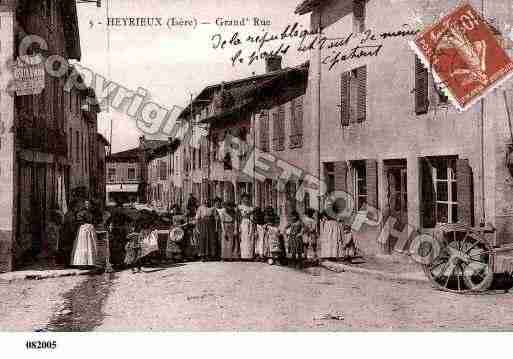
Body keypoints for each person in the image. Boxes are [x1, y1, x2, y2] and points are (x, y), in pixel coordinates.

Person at [70, 200, 99, 268]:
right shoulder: (81, 213)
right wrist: (85, 224)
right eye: (86, 204)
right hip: (84, 229)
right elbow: (78, 221)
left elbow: (95, 220)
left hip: (90, 229)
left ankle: (90, 262)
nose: (87, 205)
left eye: (89, 204)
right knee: (83, 245)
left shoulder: (92, 213)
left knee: (90, 245)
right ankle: (82, 263)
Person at [237, 193, 255, 260]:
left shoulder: (251, 208)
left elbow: (252, 217)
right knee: (243, 238)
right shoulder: (239, 207)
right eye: (244, 198)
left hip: (249, 223)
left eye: (247, 198)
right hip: (242, 223)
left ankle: (249, 255)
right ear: (242, 199)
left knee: (249, 238)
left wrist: (251, 218)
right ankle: (243, 255)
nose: (245, 200)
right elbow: (238, 217)